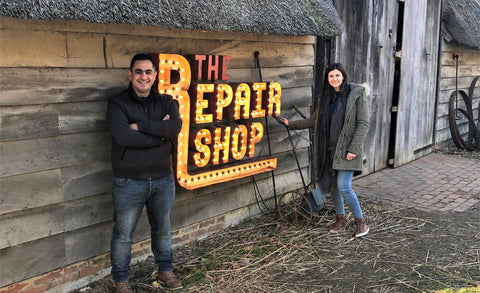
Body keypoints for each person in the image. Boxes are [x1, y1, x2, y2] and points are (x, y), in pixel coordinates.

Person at [107, 53, 183, 292]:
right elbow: (122, 136)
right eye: (138, 71)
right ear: (130, 74)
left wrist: (140, 127)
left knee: (162, 230)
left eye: (148, 72)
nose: (144, 76)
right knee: (123, 234)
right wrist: (159, 135)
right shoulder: (117, 103)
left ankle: (165, 271)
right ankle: (121, 280)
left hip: (163, 178)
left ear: (155, 75)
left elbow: (174, 127)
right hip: (129, 181)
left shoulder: (167, 102)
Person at [278, 63, 370, 238]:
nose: (334, 79)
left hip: (347, 150)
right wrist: (291, 125)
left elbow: (363, 124)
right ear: (327, 79)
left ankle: (361, 223)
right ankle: (340, 218)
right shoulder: (325, 98)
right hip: (328, 149)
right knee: (333, 187)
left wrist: (353, 149)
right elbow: (314, 120)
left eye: (337, 75)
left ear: (343, 76)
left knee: (344, 186)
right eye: (331, 76)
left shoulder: (356, 95)